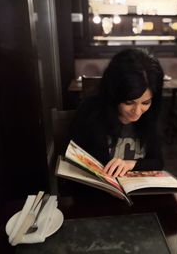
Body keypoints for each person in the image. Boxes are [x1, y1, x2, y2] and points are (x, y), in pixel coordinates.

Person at [68, 48, 164, 177]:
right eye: (129, 102)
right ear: (114, 94)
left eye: (145, 103)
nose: (137, 111)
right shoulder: (91, 110)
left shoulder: (151, 114)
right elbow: (76, 158)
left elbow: (158, 162)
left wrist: (130, 164)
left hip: (138, 193)